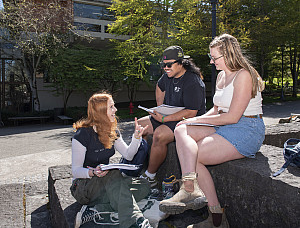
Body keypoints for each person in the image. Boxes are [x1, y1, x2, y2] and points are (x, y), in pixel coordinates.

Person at [159, 34, 265, 227]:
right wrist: (189, 120)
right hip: (224, 123)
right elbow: (216, 109)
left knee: (195, 155)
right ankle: (192, 190)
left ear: (229, 55)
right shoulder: (222, 76)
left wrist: (195, 120)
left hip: (246, 128)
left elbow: (233, 117)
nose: (211, 61)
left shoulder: (244, 75)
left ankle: (212, 214)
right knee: (181, 130)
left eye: (214, 57)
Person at [70, 92, 153, 228]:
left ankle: (97, 209)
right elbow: (76, 171)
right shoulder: (82, 135)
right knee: (114, 174)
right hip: (84, 186)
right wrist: (93, 172)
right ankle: (134, 221)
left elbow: (128, 155)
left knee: (144, 186)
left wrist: (136, 137)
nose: (115, 110)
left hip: (108, 184)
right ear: (101, 111)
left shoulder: (112, 131)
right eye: (111, 107)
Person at [138, 46, 206, 187]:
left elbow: (191, 112)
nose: (166, 68)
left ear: (181, 63)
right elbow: (159, 86)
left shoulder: (192, 81)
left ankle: (151, 176)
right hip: (168, 115)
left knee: (159, 135)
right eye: (163, 65)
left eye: (169, 64)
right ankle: (140, 165)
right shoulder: (168, 76)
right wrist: (160, 107)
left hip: (187, 120)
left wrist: (164, 119)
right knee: (139, 127)